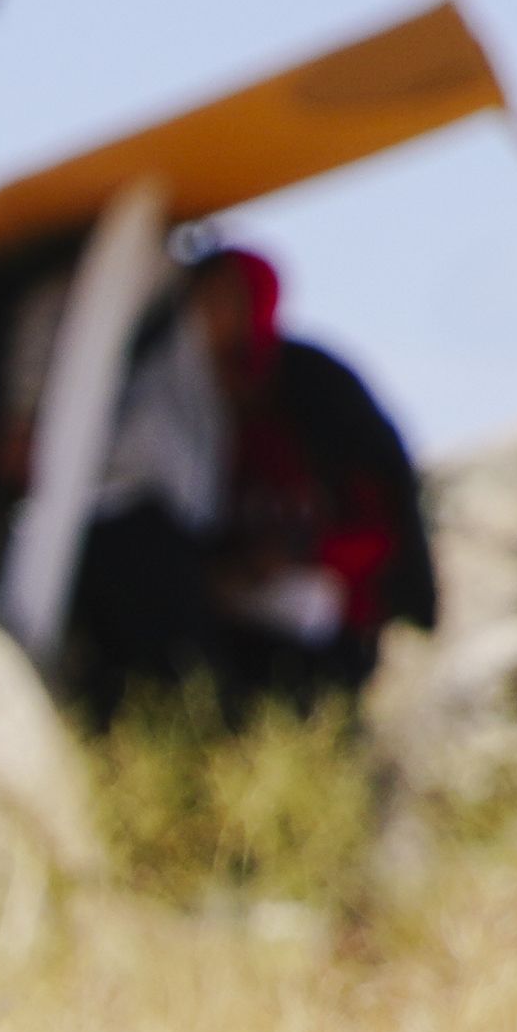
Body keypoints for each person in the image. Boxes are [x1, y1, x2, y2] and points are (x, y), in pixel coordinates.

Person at [47, 249, 436, 715]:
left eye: (230, 299)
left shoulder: (315, 396)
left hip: (334, 632)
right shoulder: (178, 407)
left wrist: (301, 558)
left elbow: (381, 524)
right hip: (229, 626)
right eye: (206, 298)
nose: (215, 317)